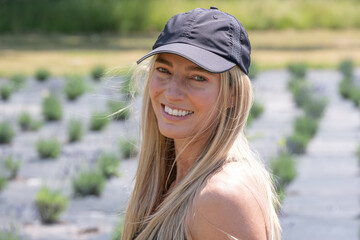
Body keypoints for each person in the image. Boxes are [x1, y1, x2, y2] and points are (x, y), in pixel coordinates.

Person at [122, 7, 281, 240]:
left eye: (198, 77)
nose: (172, 92)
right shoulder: (171, 180)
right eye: (164, 70)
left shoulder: (219, 198)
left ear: (232, 95)